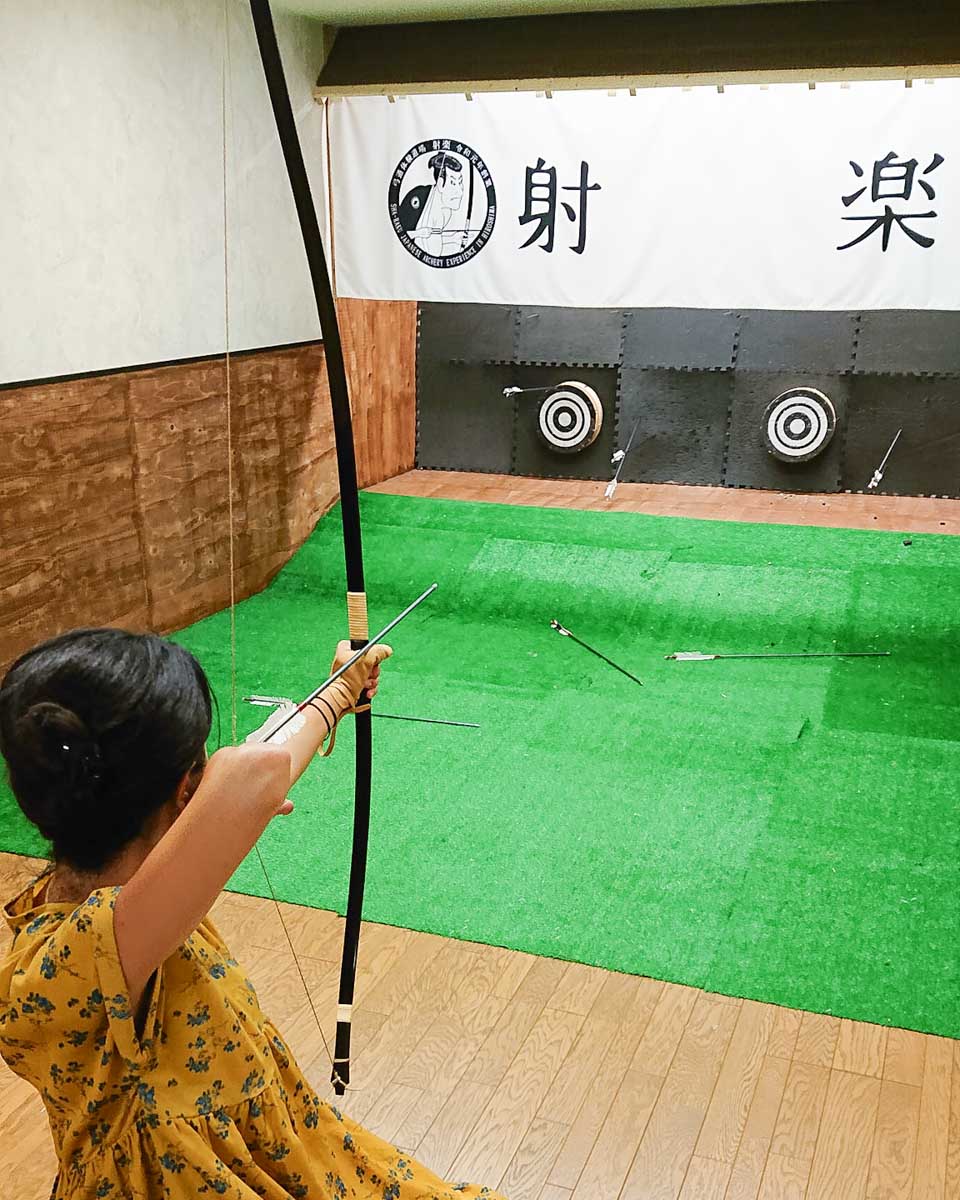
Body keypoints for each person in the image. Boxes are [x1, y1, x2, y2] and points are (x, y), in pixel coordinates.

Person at [0, 628, 505, 1200]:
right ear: (188, 791)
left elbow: (252, 780)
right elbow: (255, 777)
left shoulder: (139, 897)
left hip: (264, 1150)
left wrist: (342, 690)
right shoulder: (92, 951)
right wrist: (244, 788)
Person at [397, 152, 465, 256]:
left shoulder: (447, 210)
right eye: (453, 183)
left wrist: (452, 238)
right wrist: (418, 233)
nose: (460, 192)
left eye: (460, 183)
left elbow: (434, 238)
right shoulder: (418, 198)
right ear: (440, 183)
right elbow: (398, 234)